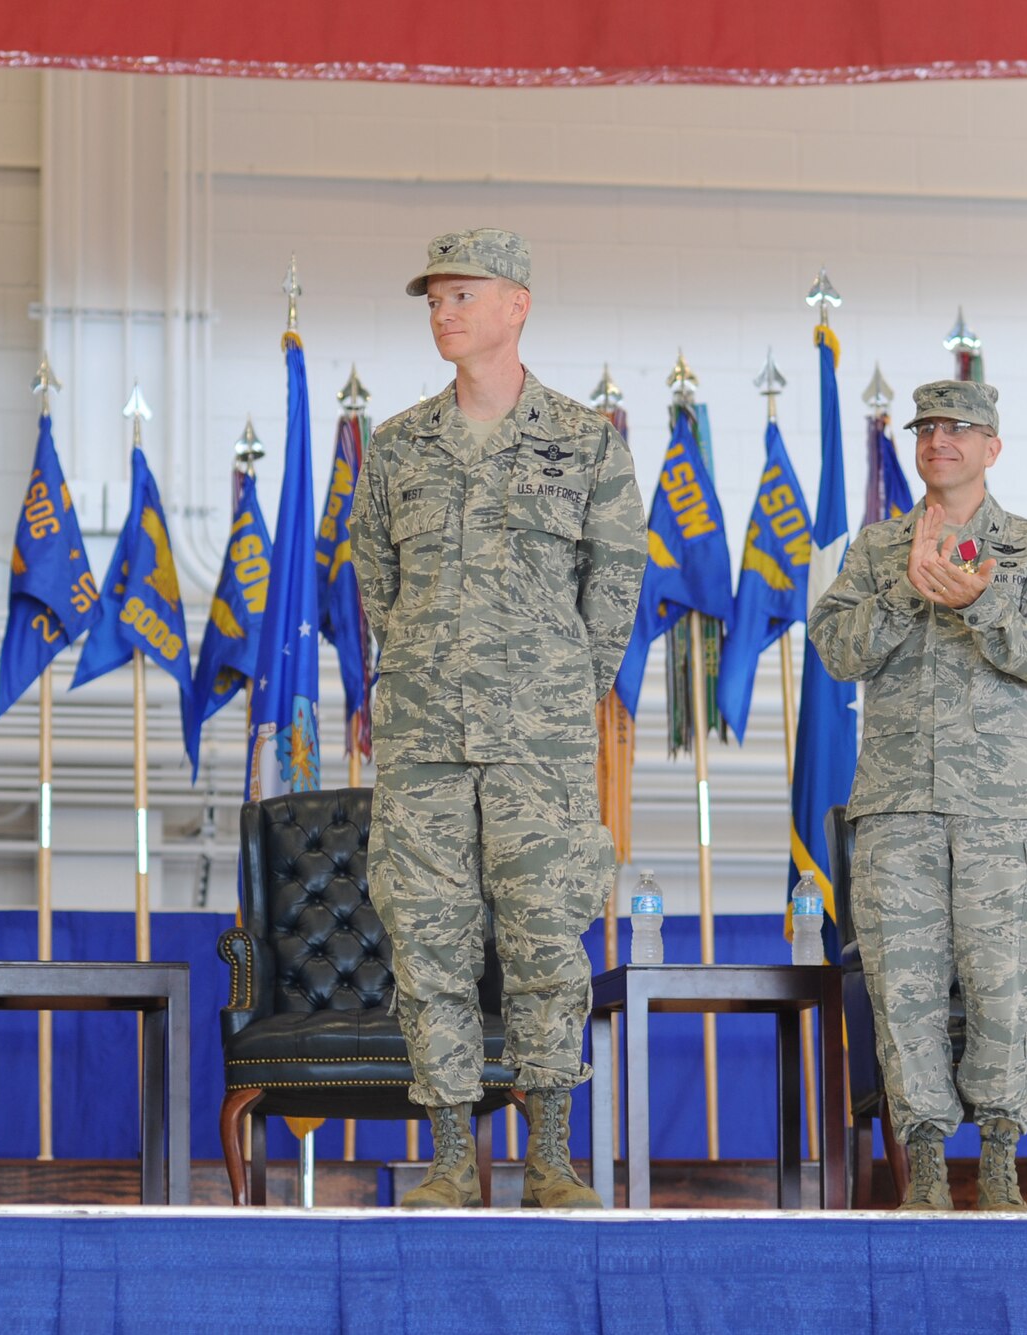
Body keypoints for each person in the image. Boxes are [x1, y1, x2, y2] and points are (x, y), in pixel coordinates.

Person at [351, 229, 645, 1209]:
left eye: (460, 294)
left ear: (515, 305)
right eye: (431, 299)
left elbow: (614, 578)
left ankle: (550, 1158)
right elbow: (373, 584)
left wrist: (566, 681)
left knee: (545, 946)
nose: (442, 312)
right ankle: (448, 1158)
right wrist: (417, 675)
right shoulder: (395, 447)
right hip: (423, 743)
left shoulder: (584, 440)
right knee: (427, 942)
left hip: (542, 747)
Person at [809, 379, 1027, 1211]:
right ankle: (924, 1165)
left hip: (1000, 812)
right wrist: (906, 591)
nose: (940, 439)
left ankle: (999, 1160)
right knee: (905, 989)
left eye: (960, 427)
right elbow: (834, 648)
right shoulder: (876, 549)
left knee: (1004, 981)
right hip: (896, 808)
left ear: (993, 446)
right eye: (927, 427)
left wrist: (984, 600)